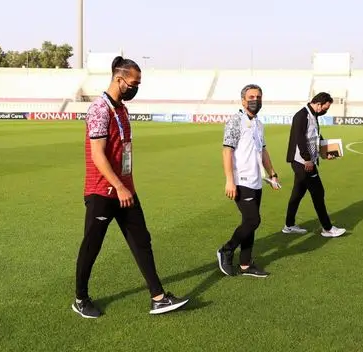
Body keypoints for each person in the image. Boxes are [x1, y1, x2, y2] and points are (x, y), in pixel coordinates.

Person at [72, 56, 189, 318]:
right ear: (119, 79)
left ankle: (158, 297)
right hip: (102, 191)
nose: (136, 88)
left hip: (125, 190)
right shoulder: (99, 109)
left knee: (141, 241)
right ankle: (80, 299)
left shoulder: (122, 109)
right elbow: (98, 155)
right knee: (92, 246)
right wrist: (118, 186)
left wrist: (126, 187)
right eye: (134, 83)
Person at [216, 84, 281, 278]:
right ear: (243, 100)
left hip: (256, 180)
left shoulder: (259, 124)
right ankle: (226, 250)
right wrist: (230, 181)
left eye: (258, 97)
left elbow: (263, 151)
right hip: (241, 180)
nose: (255, 100)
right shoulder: (235, 121)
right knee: (253, 220)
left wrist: (272, 173)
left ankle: (245, 264)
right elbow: (227, 151)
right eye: (251, 97)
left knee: (249, 223)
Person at [283, 92, 346, 238]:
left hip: (306, 161)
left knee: (297, 194)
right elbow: (300, 139)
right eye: (325, 108)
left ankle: (289, 225)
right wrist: (307, 159)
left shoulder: (313, 115)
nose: (326, 111)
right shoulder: (301, 116)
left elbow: (315, 136)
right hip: (303, 162)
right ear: (318, 104)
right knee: (318, 193)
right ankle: (327, 228)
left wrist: (326, 151)